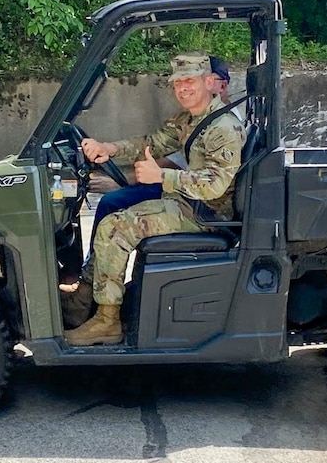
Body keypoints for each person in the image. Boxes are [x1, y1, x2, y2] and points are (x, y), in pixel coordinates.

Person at [65, 52, 246, 346]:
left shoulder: (223, 128)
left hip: (207, 215)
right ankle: (91, 299)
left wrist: (161, 177)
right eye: (178, 83)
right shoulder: (191, 118)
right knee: (114, 212)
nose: (183, 88)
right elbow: (153, 143)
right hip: (187, 203)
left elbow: (214, 186)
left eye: (190, 81)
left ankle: (107, 322)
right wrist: (109, 148)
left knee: (115, 228)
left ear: (210, 82)